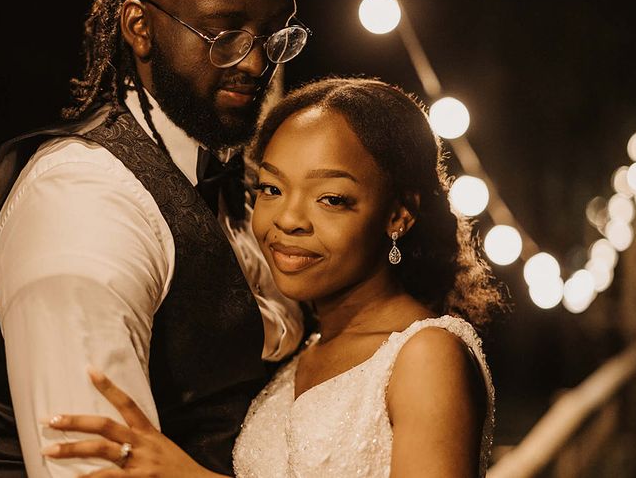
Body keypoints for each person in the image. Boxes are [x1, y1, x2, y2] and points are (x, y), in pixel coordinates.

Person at [0, 0, 311, 478]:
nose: (259, 62)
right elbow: (90, 469)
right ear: (138, 26)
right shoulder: (81, 203)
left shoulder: (237, 178)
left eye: (273, 35)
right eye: (224, 34)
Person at [39, 76, 507, 477]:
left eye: (331, 199)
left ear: (398, 215)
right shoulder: (293, 360)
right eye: (271, 188)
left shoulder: (426, 355)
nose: (287, 219)